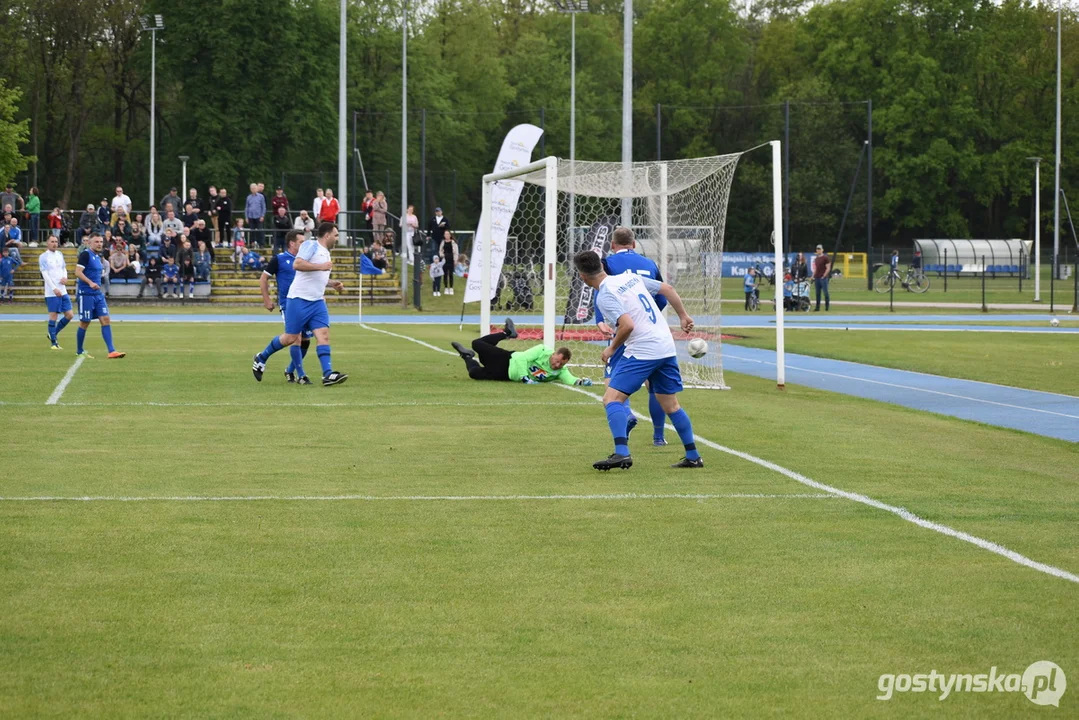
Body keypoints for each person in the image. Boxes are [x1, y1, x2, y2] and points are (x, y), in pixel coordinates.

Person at [573, 249, 701, 471]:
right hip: (665, 345)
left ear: (582, 277)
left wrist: (611, 349)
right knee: (670, 404)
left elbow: (628, 325)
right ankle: (693, 455)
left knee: (611, 399)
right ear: (601, 267)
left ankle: (622, 453)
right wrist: (683, 316)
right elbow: (667, 289)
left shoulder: (604, 295)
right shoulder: (628, 277)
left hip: (643, 350)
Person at [594, 227, 669, 446]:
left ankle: (626, 416)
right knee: (654, 385)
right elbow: (662, 295)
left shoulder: (607, 263)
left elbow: (601, 290)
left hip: (624, 329)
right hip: (652, 333)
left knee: (613, 381)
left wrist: (600, 320)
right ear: (634, 244)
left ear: (612, 244)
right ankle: (658, 436)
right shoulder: (650, 264)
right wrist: (649, 316)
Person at [251, 222, 347, 386]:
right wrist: (322, 266)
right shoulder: (311, 245)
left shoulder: (325, 253)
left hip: (317, 301)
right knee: (291, 338)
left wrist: (332, 284)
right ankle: (262, 357)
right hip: (298, 300)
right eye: (336, 235)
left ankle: (327, 374)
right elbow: (298, 264)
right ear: (327, 235)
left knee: (323, 335)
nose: (337, 238)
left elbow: (317, 277)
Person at [450, 318, 592, 386]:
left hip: (505, 376)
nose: (556, 365)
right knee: (477, 344)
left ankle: (466, 356)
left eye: (560, 364)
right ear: (554, 354)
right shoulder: (542, 350)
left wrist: (580, 382)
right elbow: (523, 359)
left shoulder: (561, 370)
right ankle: (507, 333)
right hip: (506, 360)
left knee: (474, 373)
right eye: (557, 361)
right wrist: (525, 378)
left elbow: (569, 379)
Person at [259, 230, 315, 383]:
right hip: (288, 304)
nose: (304, 245)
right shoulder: (280, 259)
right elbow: (263, 278)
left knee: (305, 339)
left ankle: (290, 370)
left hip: (306, 303)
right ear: (292, 243)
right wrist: (267, 299)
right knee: (295, 337)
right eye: (301, 242)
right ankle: (301, 375)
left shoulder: (304, 260)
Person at [73, 233, 125, 358]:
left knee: (106, 319)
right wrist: (90, 283)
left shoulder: (98, 256)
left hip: (97, 294)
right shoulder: (85, 254)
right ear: (90, 243)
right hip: (86, 294)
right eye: (96, 242)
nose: (99, 244)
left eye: (101, 242)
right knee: (85, 322)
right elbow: (77, 272)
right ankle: (79, 351)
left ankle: (111, 351)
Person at [39, 236, 74, 348]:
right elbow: (45, 274)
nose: (54, 244)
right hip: (52, 292)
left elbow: (64, 268)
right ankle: (54, 343)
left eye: (56, 241)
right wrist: (54, 288)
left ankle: (52, 334)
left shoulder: (59, 254)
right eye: (52, 241)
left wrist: (65, 277)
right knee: (53, 316)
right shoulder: (43, 257)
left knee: (69, 315)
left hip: (63, 290)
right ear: (47, 243)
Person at [245, 183, 266, 248]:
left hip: (259, 216)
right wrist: (246, 217)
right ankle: (252, 243)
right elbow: (246, 207)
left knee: (260, 230)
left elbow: (263, 207)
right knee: (252, 231)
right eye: (252, 188)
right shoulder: (248, 197)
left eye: (254, 188)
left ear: (257, 189)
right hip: (250, 216)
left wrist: (262, 215)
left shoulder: (261, 197)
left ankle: (261, 244)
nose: (253, 189)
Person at [438, 230, 459, 296]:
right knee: (445, 274)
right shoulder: (443, 242)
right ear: (444, 235)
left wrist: (455, 260)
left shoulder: (453, 243)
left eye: (448, 234)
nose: (446, 235)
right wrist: (442, 255)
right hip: (445, 260)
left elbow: (456, 253)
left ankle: (451, 288)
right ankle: (446, 288)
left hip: (451, 260)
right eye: (445, 234)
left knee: (451, 274)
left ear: (450, 235)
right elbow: (440, 250)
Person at [813, 244, 831, 312]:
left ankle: (827, 307)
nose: (818, 250)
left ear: (822, 250)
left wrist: (824, 275)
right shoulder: (816, 259)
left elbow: (828, 268)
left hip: (823, 278)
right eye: (817, 249)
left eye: (819, 249)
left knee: (825, 293)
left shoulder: (825, 258)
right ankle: (817, 307)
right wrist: (812, 276)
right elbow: (816, 269)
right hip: (817, 277)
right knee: (817, 293)